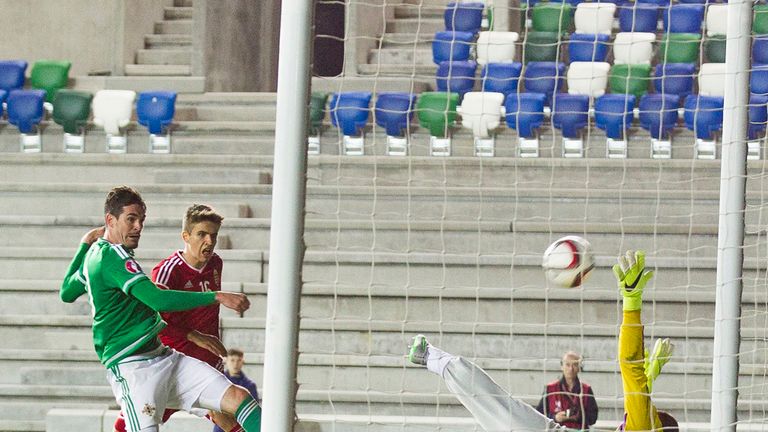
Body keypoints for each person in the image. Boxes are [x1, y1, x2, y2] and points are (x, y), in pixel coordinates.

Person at [60, 186, 262, 432]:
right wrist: (216, 296)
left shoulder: (97, 255)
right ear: (110, 221)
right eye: (131, 219)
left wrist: (83, 245)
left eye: (141, 220)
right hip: (133, 367)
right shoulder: (110, 258)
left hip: (164, 356)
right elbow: (158, 300)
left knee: (239, 400)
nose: (138, 227)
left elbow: (67, 292)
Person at [407, 249, 676, 432]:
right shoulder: (640, 425)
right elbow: (636, 402)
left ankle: (433, 358)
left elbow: (631, 371)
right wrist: (649, 376)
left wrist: (632, 303)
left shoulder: (643, 426)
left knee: (499, 406)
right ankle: (433, 358)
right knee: (500, 409)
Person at [112, 203, 243, 432]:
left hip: (206, 359)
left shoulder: (215, 264)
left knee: (229, 416)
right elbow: (153, 319)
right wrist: (193, 336)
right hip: (172, 363)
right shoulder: (167, 271)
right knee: (133, 422)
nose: (209, 242)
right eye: (202, 234)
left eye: (213, 235)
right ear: (186, 236)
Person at [535, 351, 598, 431]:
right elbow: (539, 415)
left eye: (574, 365)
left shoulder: (586, 389)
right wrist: (555, 417)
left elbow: (593, 418)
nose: (571, 369)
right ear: (562, 366)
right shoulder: (550, 389)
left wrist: (578, 417)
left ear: (579, 367)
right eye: (567, 365)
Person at [214, 349, 261, 432]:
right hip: (220, 427)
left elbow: (252, 412)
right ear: (226, 360)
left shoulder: (250, 385)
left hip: (240, 428)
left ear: (242, 361)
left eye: (238, 360)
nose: (235, 364)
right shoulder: (218, 380)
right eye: (232, 360)